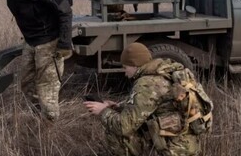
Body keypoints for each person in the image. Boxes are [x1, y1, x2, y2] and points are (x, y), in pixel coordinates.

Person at [83, 43, 213, 155]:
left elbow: (124, 126)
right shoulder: (163, 71)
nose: (125, 73)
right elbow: (153, 104)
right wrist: (118, 106)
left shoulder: (146, 84)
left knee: (114, 130)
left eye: (125, 67)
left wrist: (102, 111)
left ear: (134, 65)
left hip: (174, 149)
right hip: (187, 144)